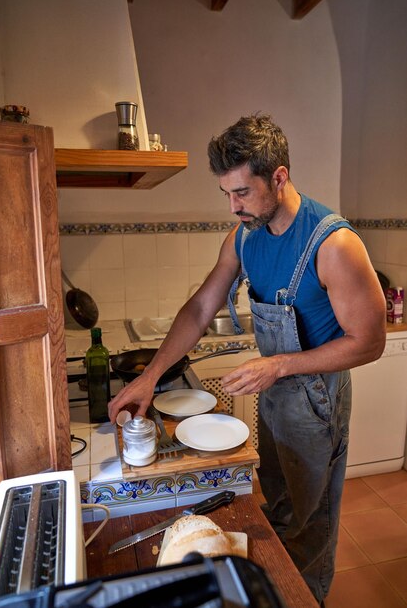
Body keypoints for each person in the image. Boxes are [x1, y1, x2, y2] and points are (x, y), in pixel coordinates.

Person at [108, 114, 386, 604]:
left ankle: (308, 599)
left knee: (310, 520)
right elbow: (199, 308)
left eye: (242, 192)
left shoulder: (333, 244)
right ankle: (278, 591)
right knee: (279, 506)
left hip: (316, 400)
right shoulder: (244, 236)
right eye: (226, 195)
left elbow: (369, 342)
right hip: (277, 393)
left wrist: (277, 364)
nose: (234, 206)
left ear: (278, 177)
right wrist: (149, 378)